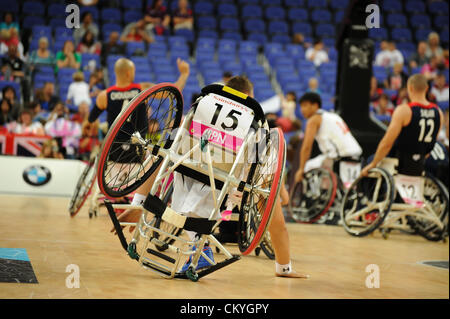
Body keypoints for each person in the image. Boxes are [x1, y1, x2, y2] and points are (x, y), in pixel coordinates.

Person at [115, 76, 308, 279]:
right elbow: (263, 172)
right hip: (225, 183)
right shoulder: (256, 124)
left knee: (174, 166)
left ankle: (201, 246)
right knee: (269, 201)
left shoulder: (201, 107)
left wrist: (139, 204)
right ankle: (283, 267)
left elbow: (164, 153)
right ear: (250, 97)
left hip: (187, 171)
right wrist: (278, 194)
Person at [361, 73, 444, 179]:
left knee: (368, 161)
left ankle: (365, 194)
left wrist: (373, 164)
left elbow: (387, 143)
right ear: (427, 88)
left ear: (410, 88)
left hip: (397, 161)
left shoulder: (404, 110)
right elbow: (431, 143)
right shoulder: (438, 112)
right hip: (420, 163)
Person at [294, 92, 362, 181]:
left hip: (339, 157)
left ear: (315, 105)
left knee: (308, 166)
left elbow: (307, 147)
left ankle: (315, 194)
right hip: (356, 155)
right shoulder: (333, 116)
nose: (302, 110)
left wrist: (301, 169)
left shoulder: (314, 119)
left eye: (305, 105)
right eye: (301, 106)